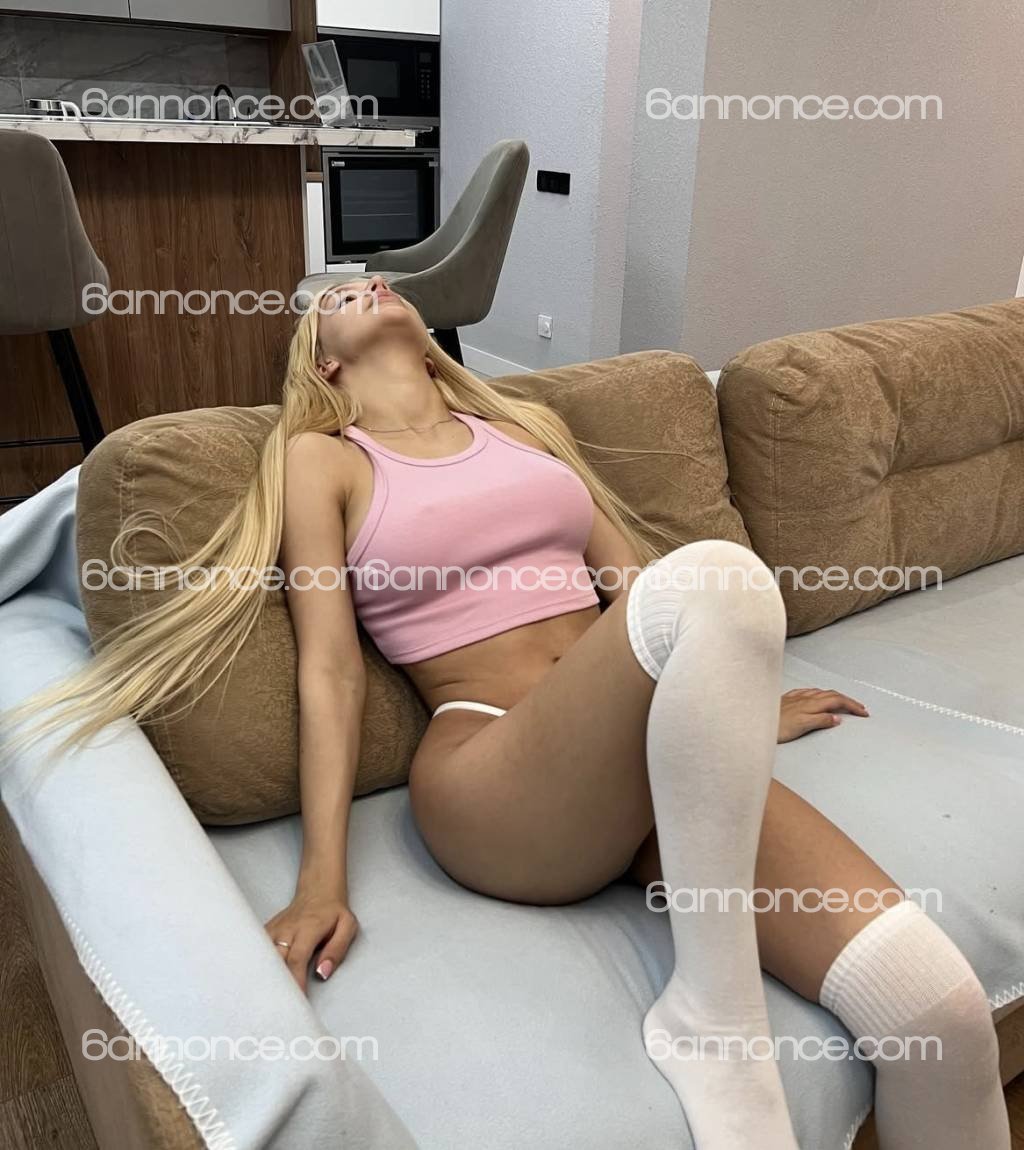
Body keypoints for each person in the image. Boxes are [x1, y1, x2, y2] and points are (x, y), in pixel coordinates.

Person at [2, 277, 1009, 1150]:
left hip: (648, 762)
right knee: (719, 578)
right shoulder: (324, 457)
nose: (369, 285)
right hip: (492, 778)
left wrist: (737, 699)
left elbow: (635, 588)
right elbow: (330, 668)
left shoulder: (521, 432)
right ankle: (717, 1018)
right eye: (340, 293)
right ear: (322, 359)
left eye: (379, 281)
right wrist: (320, 879)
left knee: (934, 1006)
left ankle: (726, 1013)